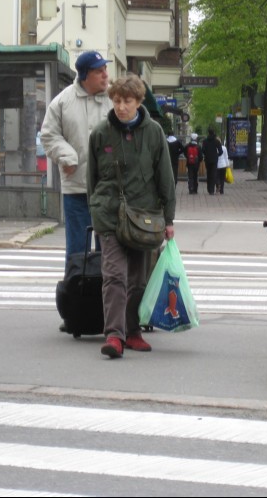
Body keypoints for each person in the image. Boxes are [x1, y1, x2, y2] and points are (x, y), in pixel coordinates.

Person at [87, 74, 176, 359]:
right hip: (110, 215)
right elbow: (93, 178)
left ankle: (133, 330)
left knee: (138, 280)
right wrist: (96, 209)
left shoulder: (153, 133)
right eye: (116, 100)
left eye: (127, 101)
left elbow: (166, 178)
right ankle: (114, 335)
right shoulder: (101, 134)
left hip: (144, 217)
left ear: (138, 102)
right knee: (114, 275)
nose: (121, 106)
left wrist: (169, 219)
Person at [41, 51, 113, 259]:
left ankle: (105, 292)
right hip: (76, 189)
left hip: (108, 189)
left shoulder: (114, 100)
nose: (105, 75)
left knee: (109, 253)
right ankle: (76, 290)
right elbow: (48, 135)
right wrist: (67, 156)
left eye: (105, 69)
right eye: (99, 71)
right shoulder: (62, 102)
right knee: (77, 252)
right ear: (84, 76)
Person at [202, 127, 223, 195]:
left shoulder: (205, 141)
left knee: (208, 174)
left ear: (208, 133)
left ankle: (209, 189)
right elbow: (221, 151)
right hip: (214, 159)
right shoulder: (216, 141)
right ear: (214, 133)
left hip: (207, 159)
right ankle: (212, 189)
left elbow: (203, 150)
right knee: (213, 174)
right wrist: (217, 155)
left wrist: (206, 154)